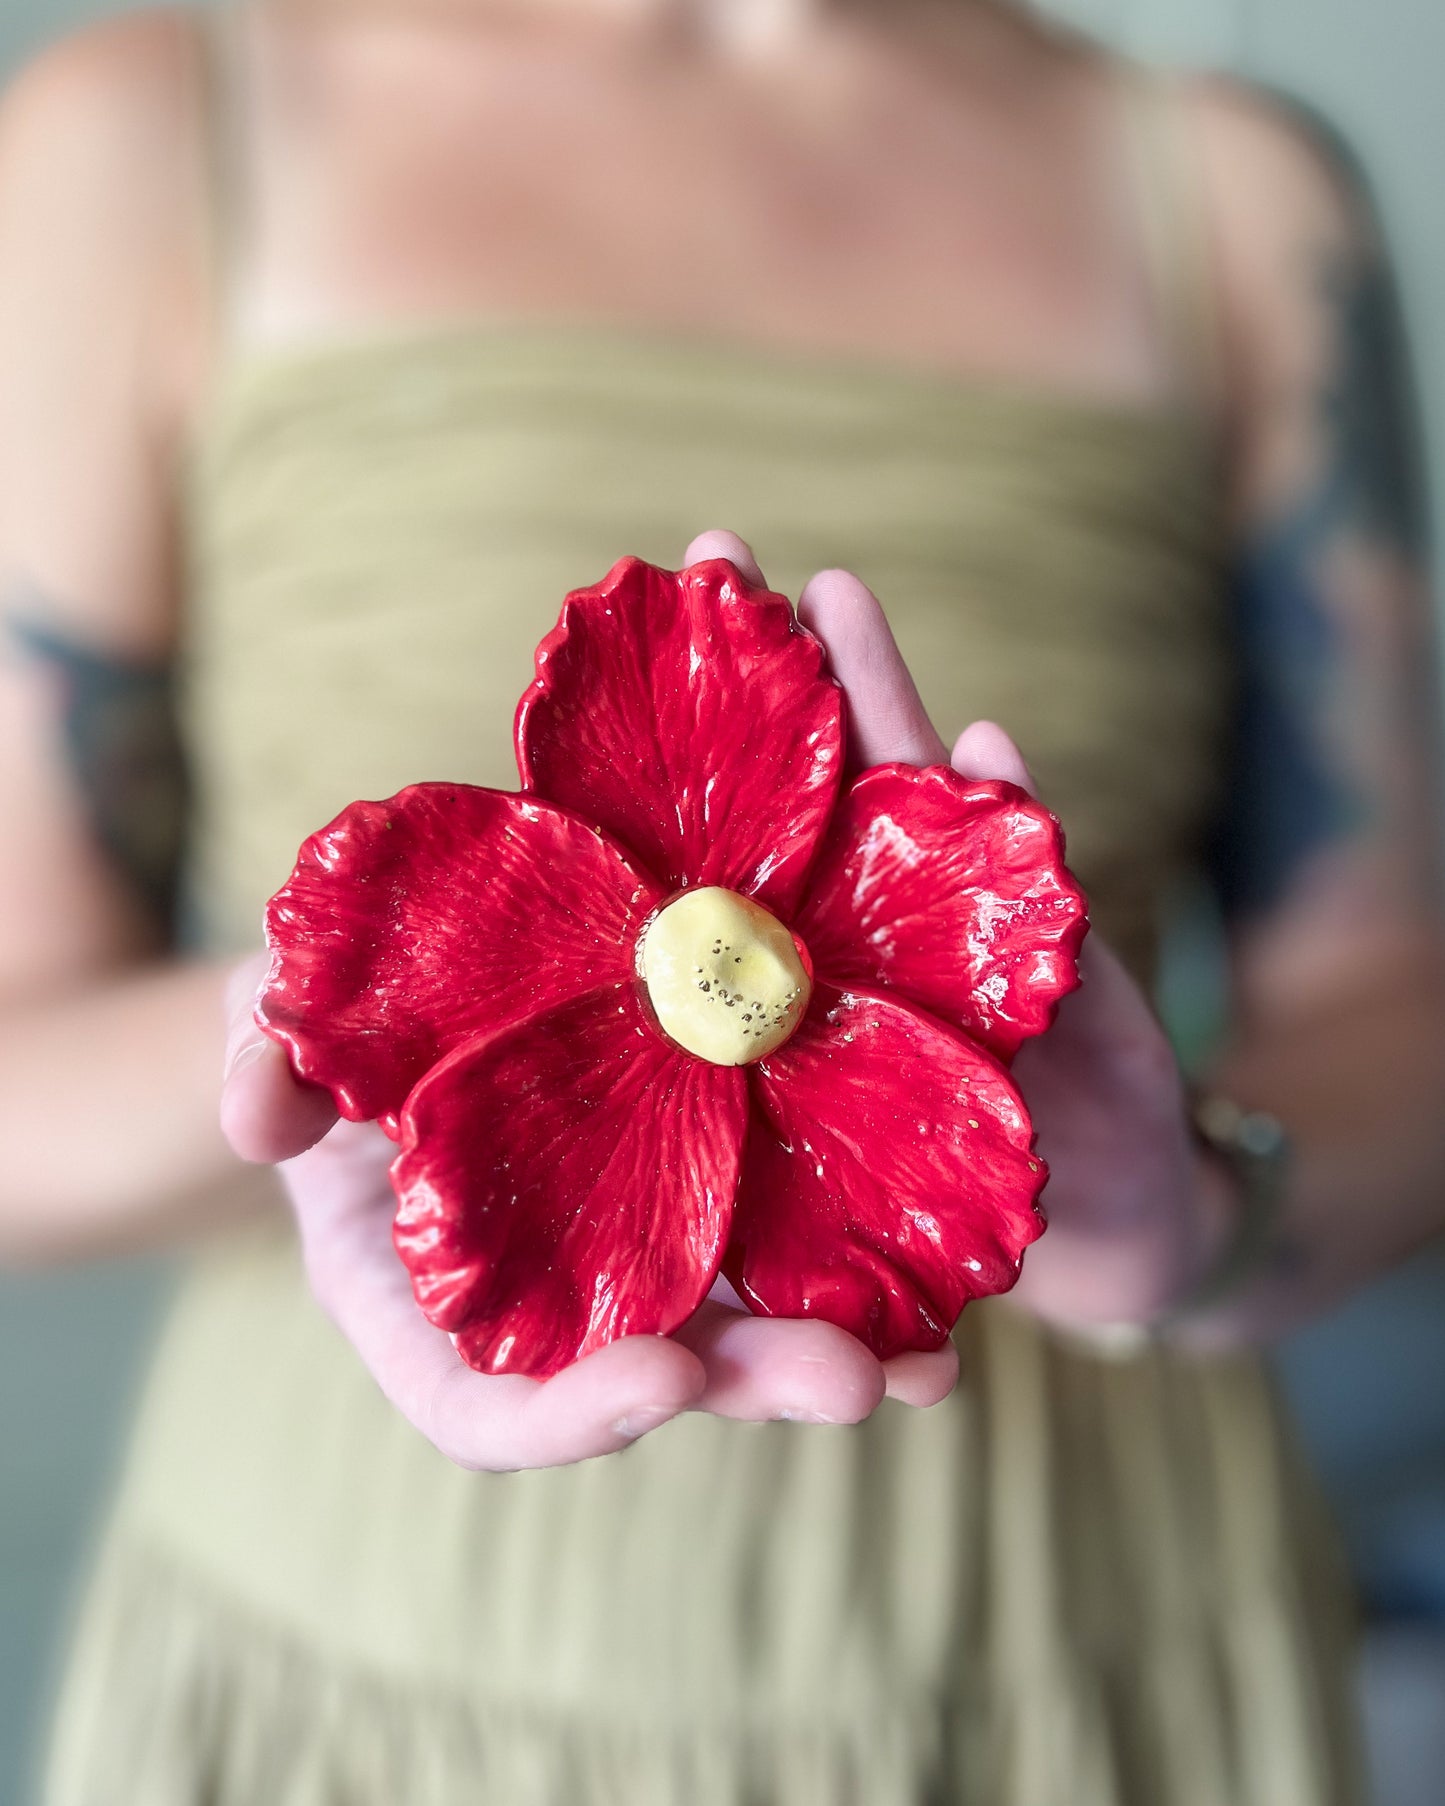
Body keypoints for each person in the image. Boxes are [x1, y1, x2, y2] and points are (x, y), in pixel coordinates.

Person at [1, 0, 1441, 1799]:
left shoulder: (1233, 200)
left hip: (1071, 1637)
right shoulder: (141, 141)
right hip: (367, 1642)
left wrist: (1183, 1218)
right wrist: (377, 1032)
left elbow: (1393, 992)